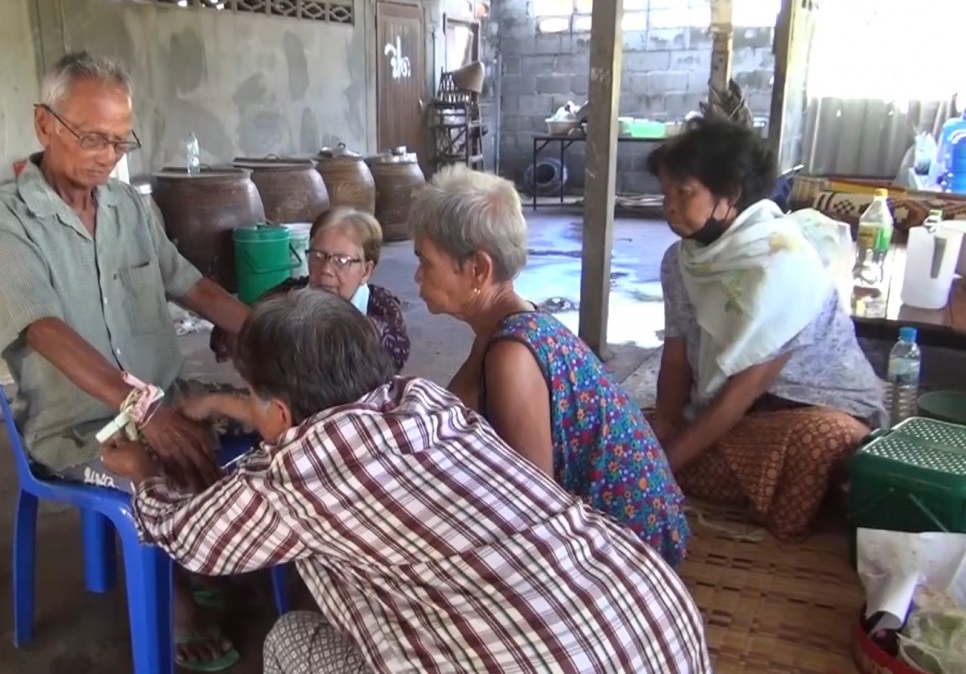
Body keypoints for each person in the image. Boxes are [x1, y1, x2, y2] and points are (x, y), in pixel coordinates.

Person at [102, 289, 712, 674]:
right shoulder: (424, 404)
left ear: (282, 414)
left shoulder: (296, 481)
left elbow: (192, 538)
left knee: (289, 641)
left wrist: (145, 475)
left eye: (253, 397)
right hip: (658, 630)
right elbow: (319, 419)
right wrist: (236, 406)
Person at [0, 51, 245, 669]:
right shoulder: (4, 220)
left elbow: (190, 285)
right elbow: (42, 327)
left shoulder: (129, 208)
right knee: (148, 465)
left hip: (165, 395)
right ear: (45, 125)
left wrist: (266, 331)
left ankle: (198, 547)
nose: (107, 156)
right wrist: (141, 410)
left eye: (120, 142)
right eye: (93, 137)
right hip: (78, 428)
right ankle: (176, 600)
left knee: (260, 427)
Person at [409, 165, 689, 567]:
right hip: (628, 530)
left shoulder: (512, 355)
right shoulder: (501, 329)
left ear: (478, 270)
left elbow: (535, 514)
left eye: (426, 261)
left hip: (631, 553)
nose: (417, 275)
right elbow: (450, 415)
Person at [646, 118, 886, 539]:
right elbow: (677, 354)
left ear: (730, 196)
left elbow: (743, 392)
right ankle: (748, 481)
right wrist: (664, 424)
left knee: (825, 442)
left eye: (683, 193)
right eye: (665, 193)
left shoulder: (781, 263)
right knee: (626, 426)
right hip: (741, 420)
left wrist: (662, 464)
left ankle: (718, 474)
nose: (669, 206)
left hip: (812, 409)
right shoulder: (679, 262)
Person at [210, 207, 410, 371]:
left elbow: (393, 354)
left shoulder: (382, 308)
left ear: (366, 270)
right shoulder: (287, 293)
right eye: (317, 256)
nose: (325, 270)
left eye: (341, 261)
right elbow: (229, 330)